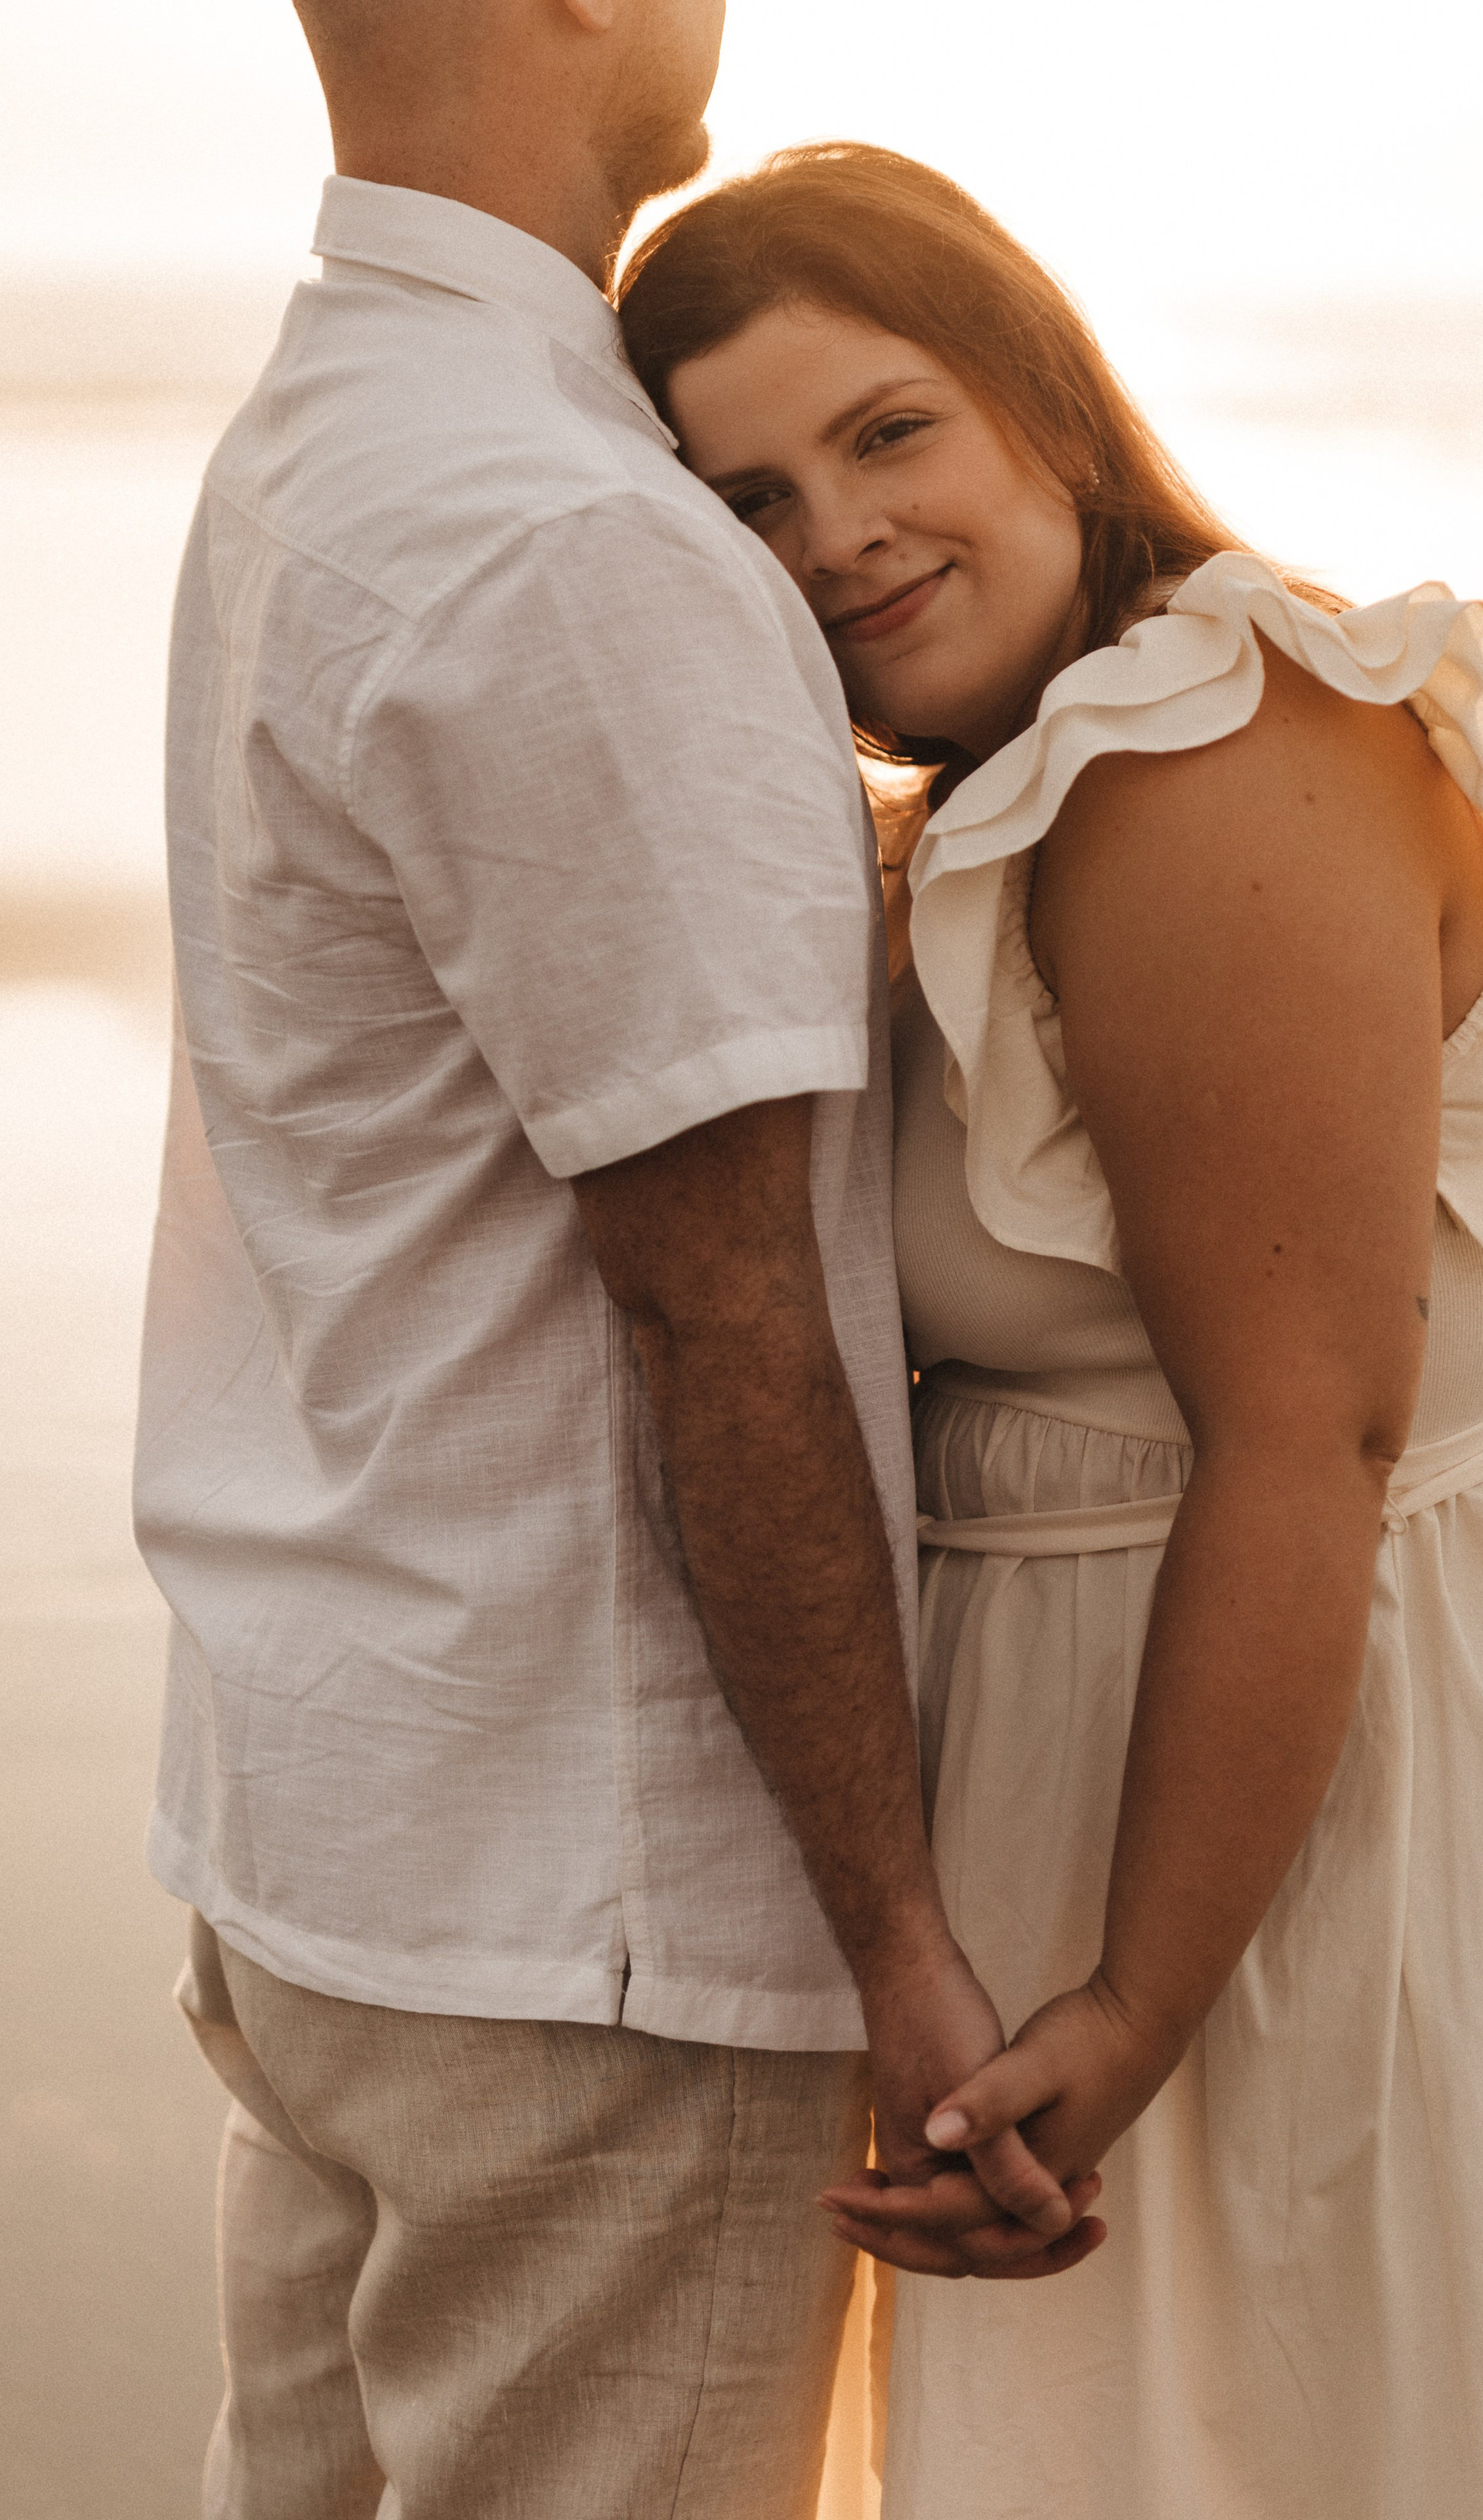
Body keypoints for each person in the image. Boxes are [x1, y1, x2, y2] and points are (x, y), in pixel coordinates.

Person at [617, 142, 1483, 2518]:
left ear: (1048, 405)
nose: (839, 538)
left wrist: (1137, 1998)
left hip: (1309, 1816)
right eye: (751, 502)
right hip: (1134, 1776)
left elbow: (1306, 1437)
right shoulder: (1032, 782)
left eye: (890, 433)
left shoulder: (1207, 751)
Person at [133, 28, 1095, 2519]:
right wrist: (897, 1944)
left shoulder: (332, 430)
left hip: (340, 1820)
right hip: (595, 1910)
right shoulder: (570, 533)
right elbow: (722, 1309)